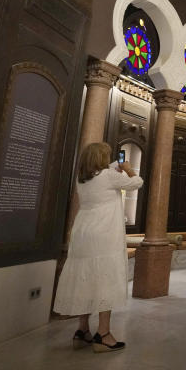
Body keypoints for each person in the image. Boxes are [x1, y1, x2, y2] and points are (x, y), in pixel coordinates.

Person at [53, 142, 143, 353]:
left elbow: (108, 172)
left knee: (85, 278)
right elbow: (137, 182)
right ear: (101, 158)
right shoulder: (108, 177)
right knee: (104, 280)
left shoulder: (82, 179)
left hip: (83, 232)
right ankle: (103, 334)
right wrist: (129, 169)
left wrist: (116, 166)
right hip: (104, 233)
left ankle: (82, 330)